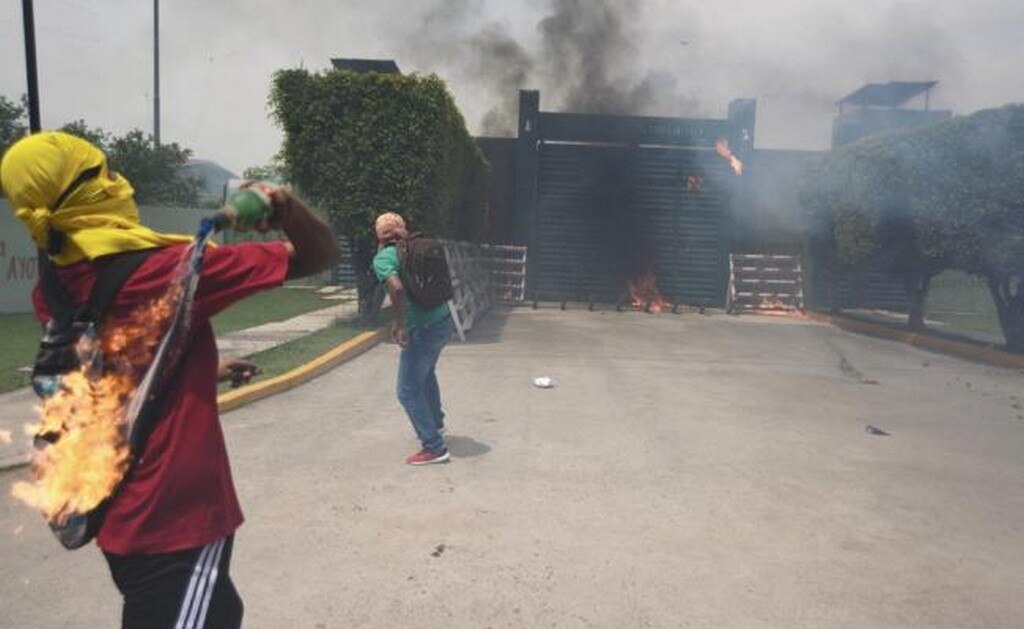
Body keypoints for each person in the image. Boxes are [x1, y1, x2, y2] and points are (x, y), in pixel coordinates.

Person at [0, 131, 340, 629]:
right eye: (105, 172)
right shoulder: (168, 271)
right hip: (173, 521)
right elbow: (319, 256)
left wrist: (203, 367)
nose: (121, 180)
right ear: (85, 192)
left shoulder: (52, 286)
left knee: (220, 610)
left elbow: (109, 365)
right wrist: (284, 206)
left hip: (114, 510)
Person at [372, 212, 454, 466]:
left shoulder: (384, 257)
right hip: (443, 321)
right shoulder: (415, 248)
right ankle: (436, 424)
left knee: (407, 391)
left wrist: (400, 325)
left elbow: (395, 288)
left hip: (422, 328)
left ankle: (434, 447)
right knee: (426, 373)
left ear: (379, 234)